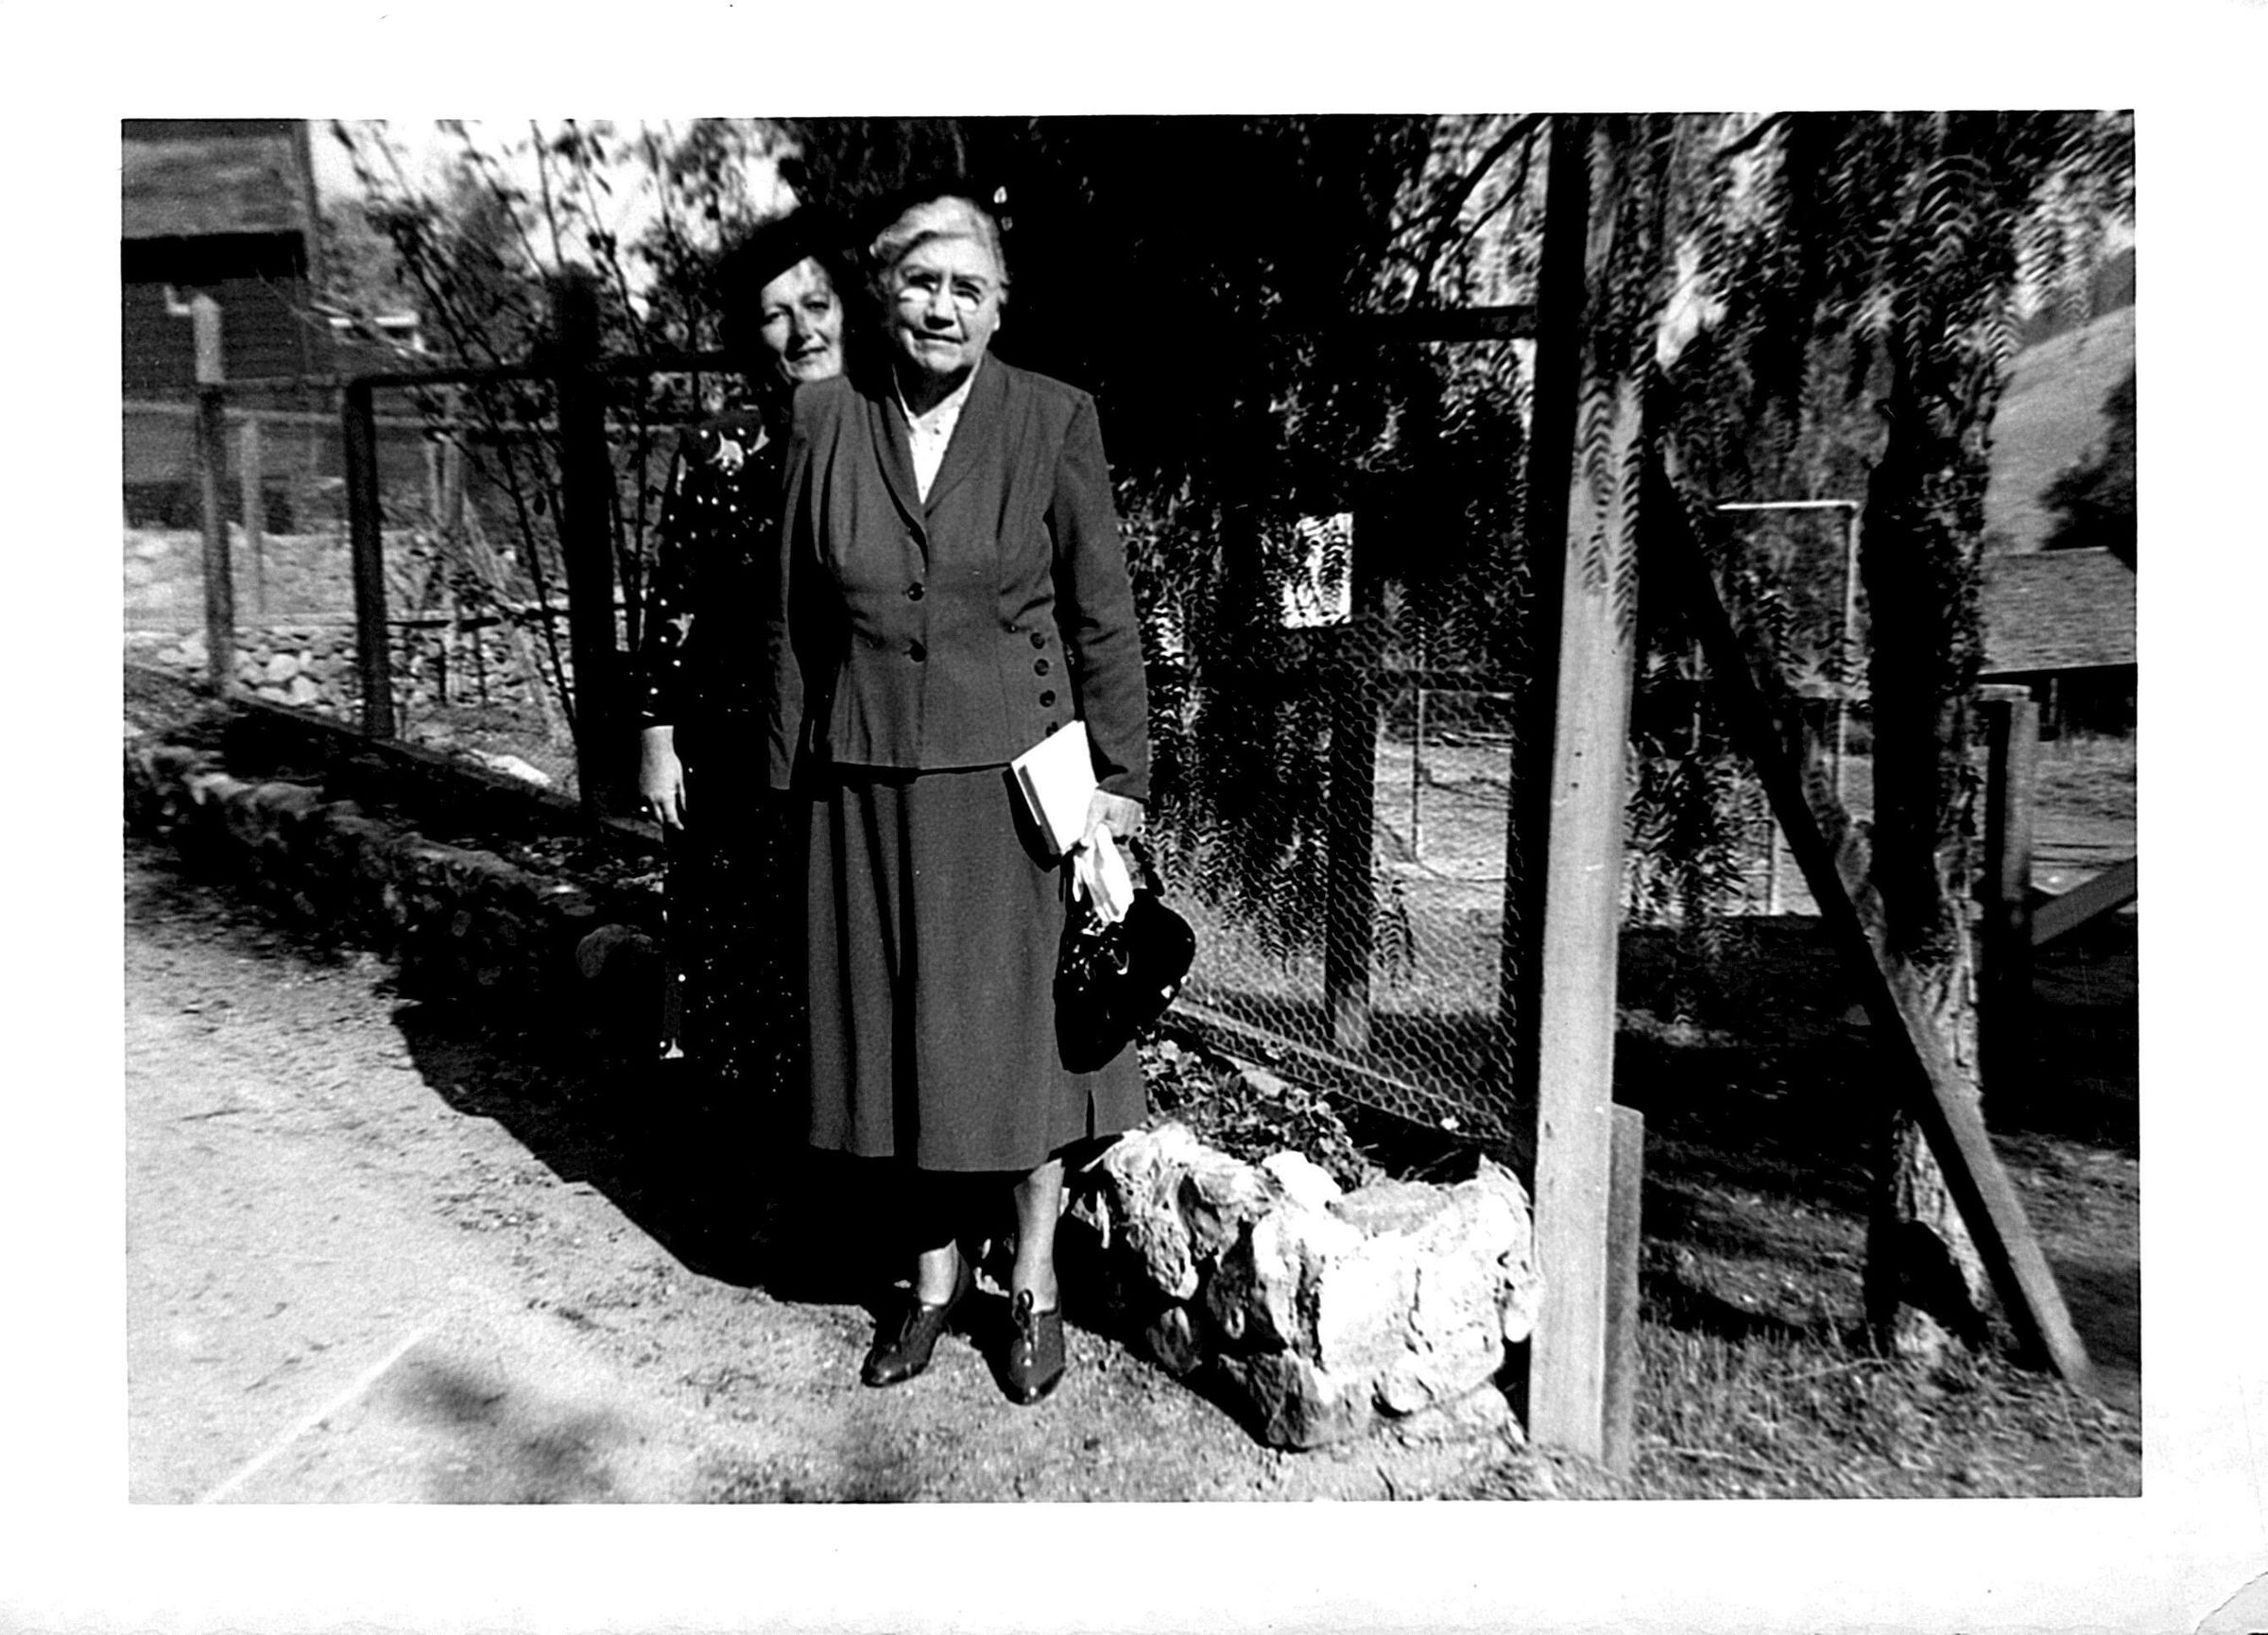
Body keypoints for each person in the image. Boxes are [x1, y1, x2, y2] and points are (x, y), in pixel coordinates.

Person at [767, 191, 1150, 1404]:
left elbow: (1103, 615)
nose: (942, 307)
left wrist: (1120, 783)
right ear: (884, 293)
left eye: (966, 289)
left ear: (999, 308)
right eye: (922, 283)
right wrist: (787, 778)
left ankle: (1033, 1280)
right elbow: (791, 618)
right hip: (864, 781)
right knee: (895, 1047)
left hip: (1013, 788)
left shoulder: (1053, 418)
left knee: (1015, 1048)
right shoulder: (826, 417)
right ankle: (930, 1278)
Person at [635, 210, 850, 1087]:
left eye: (818, 304)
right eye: (775, 314)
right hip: (734, 740)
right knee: (739, 948)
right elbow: (675, 598)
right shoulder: (717, 449)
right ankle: (738, 1144)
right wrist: (657, 736)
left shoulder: (892, 441)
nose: (803, 331)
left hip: (852, 738)